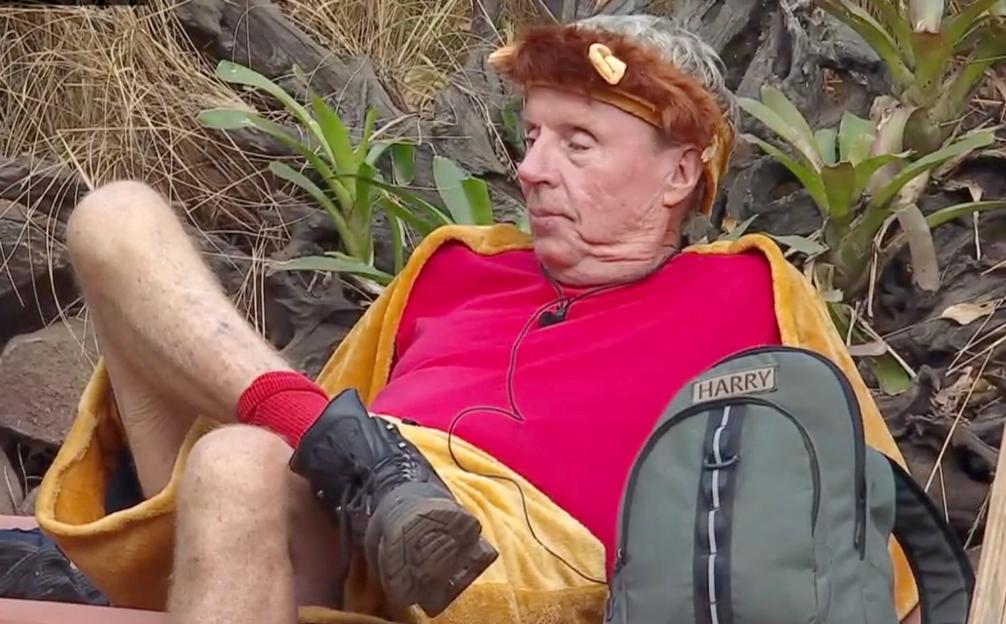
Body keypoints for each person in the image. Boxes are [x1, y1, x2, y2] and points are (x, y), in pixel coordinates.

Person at [33, 14, 920, 624]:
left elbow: (860, 514)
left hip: (521, 561)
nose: (532, 170)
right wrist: (339, 453)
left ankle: (372, 470)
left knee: (249, 459)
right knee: (114, 219)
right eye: (531, 137)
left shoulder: (746, 289)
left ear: (680, 174)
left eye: (577, 143)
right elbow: (318, 424)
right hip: (352, 516)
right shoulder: (455, 264)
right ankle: (367, 466)